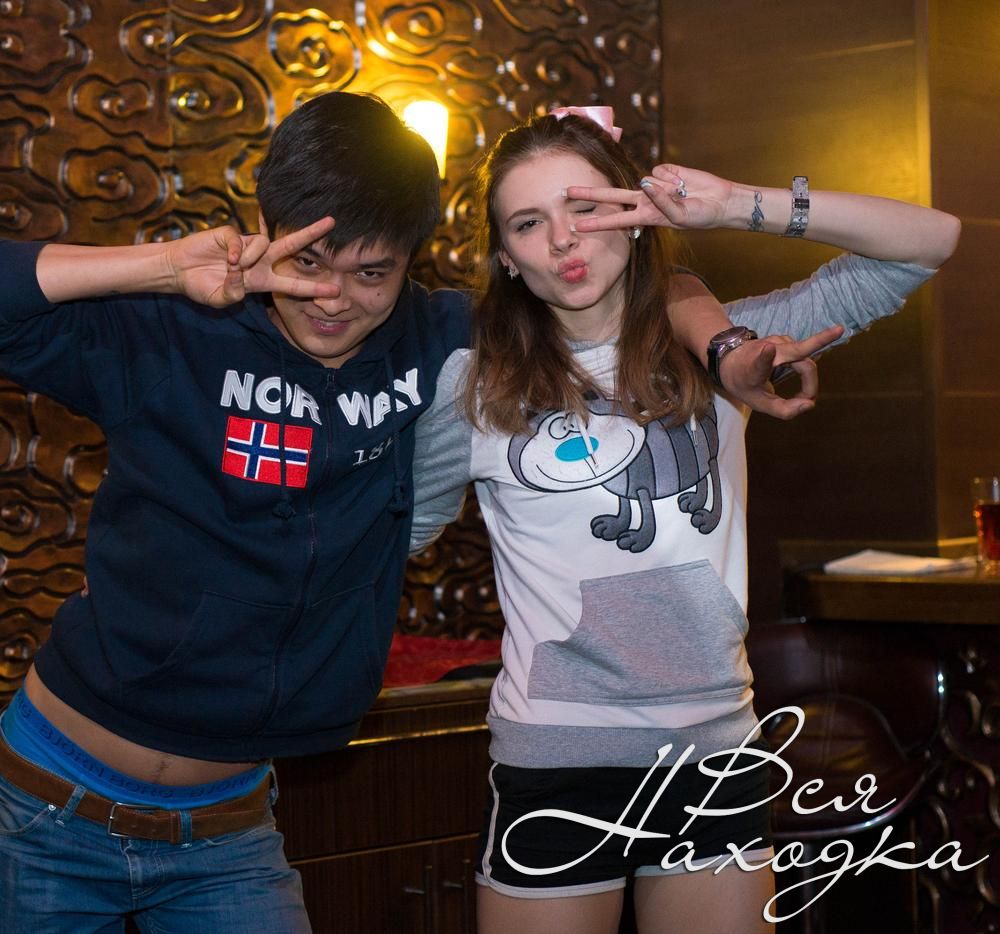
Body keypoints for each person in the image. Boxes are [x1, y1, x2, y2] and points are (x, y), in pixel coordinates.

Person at [0, 92, 826, 933]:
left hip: (228, 826)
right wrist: (162, 266)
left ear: (409, 265)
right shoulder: (176, 331)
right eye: (307, 262)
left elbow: (640, 287)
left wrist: (724, 342)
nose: (333, 298)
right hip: (52, 799)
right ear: (266, 232)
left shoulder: (442, 344)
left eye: (371, 273)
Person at [408, 110, 960, 934]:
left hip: (715, 755)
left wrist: (734, 205)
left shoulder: (725, 351)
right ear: (507, 260)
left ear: (635, 217)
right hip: (558, 762)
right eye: (528, 223)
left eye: (587, 207)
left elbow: (931, 240)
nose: (564, 239)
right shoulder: (474, 387)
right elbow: (392, 537)